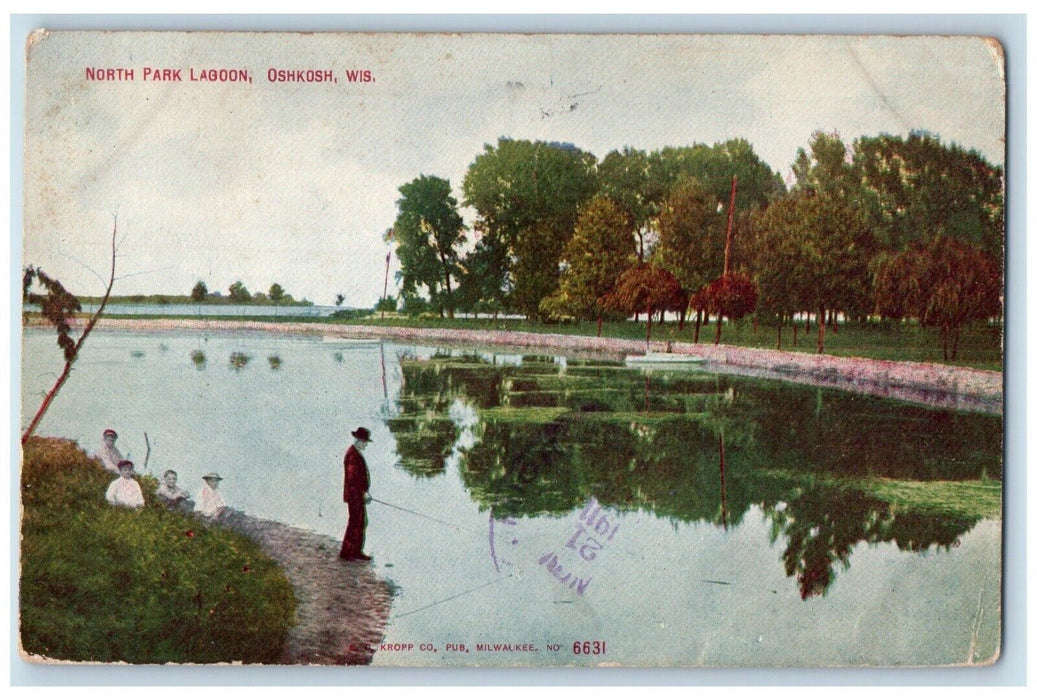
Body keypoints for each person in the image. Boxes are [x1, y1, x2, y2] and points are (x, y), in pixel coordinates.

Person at [339, 427, 372, 561]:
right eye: (364, 442)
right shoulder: (353, 455)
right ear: (358, 440)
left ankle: (356, 551)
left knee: (360, 522)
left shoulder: (355, 453)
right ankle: (348, 552)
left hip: (357, 495)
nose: (365, 444)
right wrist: (362, 493)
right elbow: (352, 478)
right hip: (355, 496)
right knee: (356, 522)